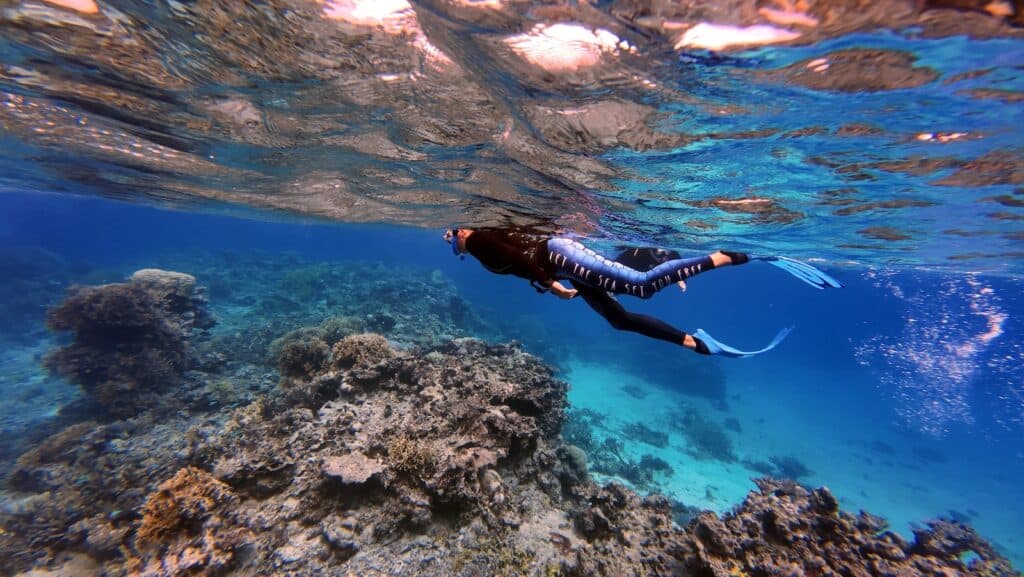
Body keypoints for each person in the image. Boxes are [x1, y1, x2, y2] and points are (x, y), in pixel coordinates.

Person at [443, 227, 842, 357]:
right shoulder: (481, 243)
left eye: (451, 239)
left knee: (641, 287)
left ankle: (727, 256)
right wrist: (548, 283)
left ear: (461, 232)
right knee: (618, 319)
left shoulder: (476, 240)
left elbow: (516, 258)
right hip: (557, 263)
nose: (453, 244)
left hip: (558, 256)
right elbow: (518, 264)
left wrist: (553, 286)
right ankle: (690, 341)